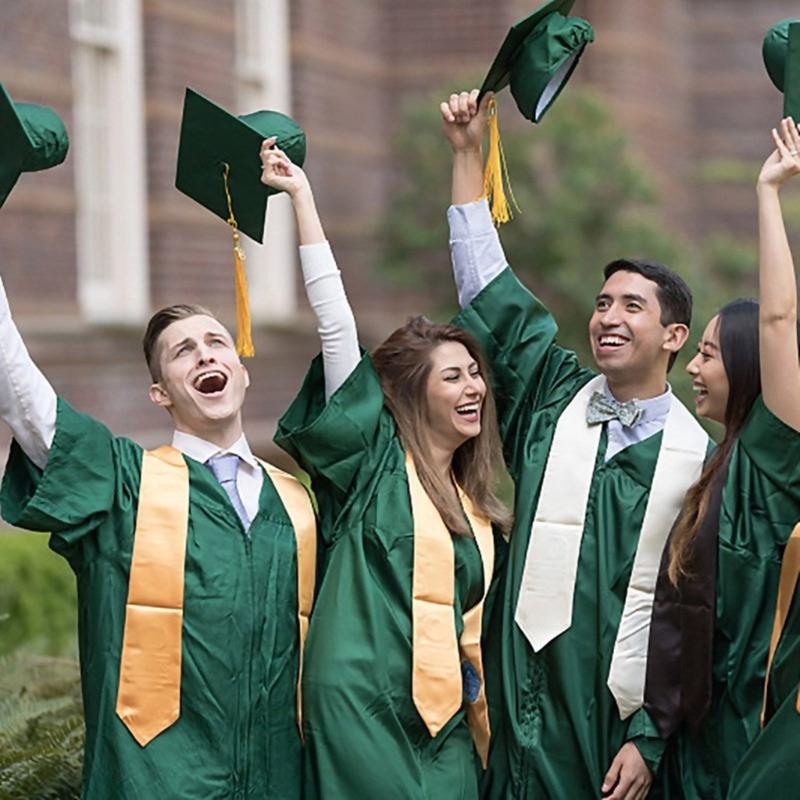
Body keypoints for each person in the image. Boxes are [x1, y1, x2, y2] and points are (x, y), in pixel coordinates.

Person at [0, 134, 316, 799]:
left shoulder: (299, 507)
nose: (205, 356)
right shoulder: (123, 486)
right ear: (160, 392)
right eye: (182, 353)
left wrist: (302, 202)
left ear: (242, 370)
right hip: (156, 782)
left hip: (279, 780)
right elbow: (26, 400)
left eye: (216, 342)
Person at [439, 89, 711, 800]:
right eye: (600, 304)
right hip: (510, 691)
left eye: (631, 306)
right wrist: (467, 156)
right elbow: (487, 289)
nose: (607, 318)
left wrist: (650, 737)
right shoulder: (555, 394)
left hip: (606, 718)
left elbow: (698, 616)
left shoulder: (700, 464)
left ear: (674, 336)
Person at [259, 140, 511, 799]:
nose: (474, 388)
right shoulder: (370, 463)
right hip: (360, 700)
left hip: (450, 717)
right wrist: (302, 200)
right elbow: (338, 331)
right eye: (453, 376)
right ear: (410, 392)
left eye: (477, 374)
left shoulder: (481, 508)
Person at [645, 118, 800, 799]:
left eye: (707, 352)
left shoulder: (776, 455)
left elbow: (778, 321)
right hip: (701, 738)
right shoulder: (716, 465)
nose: (693, 369)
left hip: (759, 727)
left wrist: (767, 194)